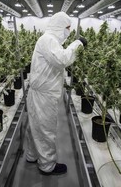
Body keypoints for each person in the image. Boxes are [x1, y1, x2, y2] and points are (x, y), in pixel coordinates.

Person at [26, 11, 87, 175]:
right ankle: (47, 165)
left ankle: (32, 155)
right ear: (60, 26)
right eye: (67, 27)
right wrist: (78, 44)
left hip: (40, 92)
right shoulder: (48, 40)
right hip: (44, 95)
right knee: (46, 129)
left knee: (35, 126)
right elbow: (62, 60)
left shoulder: (49, 40)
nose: (68, 31)